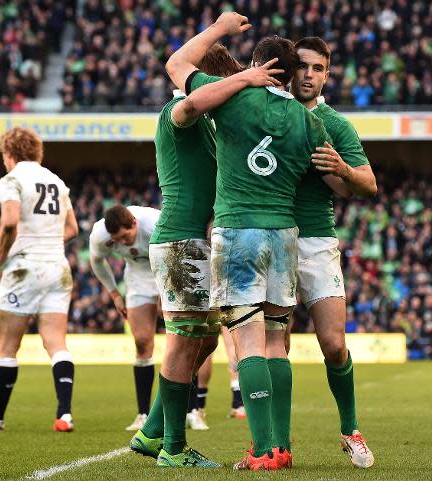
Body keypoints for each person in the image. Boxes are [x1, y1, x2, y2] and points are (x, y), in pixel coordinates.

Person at [165, 12, 349, 470]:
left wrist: (222, 34)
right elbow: (341, 184)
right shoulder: (308, 122)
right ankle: (282, 447)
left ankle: (265, 449)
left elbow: (176, 66)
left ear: (258, 65)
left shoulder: (232, 101)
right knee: (275, 341)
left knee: (246, 344)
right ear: (291, 74)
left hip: (239, 231)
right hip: (285, 234)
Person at [128, 40, 285, 468]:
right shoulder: (179, 112)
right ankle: (172, 449)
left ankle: (151, 431)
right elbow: (193, 98)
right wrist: (244, 75)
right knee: (184, 340)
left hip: (197, 241)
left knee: (206, 337)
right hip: (180, 240)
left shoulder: (212, 125)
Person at [289, 36, 377, 468]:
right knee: (274, 346)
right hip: (271, 236)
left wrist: (342, 169)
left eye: (318, 68)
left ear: (327, 74)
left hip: (318, 240)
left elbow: (369, 183)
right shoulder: (269, 111)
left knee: (333, 342)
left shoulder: (335, 124)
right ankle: (274, 442)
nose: (309, 74)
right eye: (303, 65)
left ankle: (350, 429)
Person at [0, 127, 79, 432]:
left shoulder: (12, 180)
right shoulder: (56, 181)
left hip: (24, 269)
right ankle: (64, 414)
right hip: (57, 266)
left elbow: (10, 222)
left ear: (10, 153)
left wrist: (0, 256)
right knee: (57, 343)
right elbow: (72, 229)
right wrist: (47, 245)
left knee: (6, 347)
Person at [89, 204, 161, 431]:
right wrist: (114, 294)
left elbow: (179, 251)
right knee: (141, 341)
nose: (124, 242)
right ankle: (143, 414)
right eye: (118, 239)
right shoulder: (99, 235)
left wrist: (171, 287)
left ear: (135, 224)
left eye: (127, 235)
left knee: (183, 337)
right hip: (138, 277)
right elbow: (97, 261)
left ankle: (191, 409)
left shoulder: (154, 223)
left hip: (168, 271)